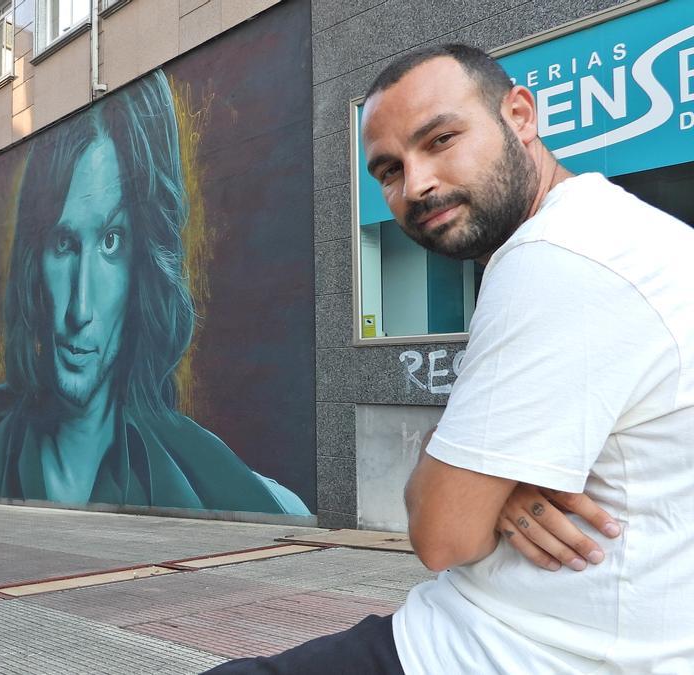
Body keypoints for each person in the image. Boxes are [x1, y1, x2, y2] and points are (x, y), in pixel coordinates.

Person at [210, 43, 694, 673]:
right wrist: (494, 478)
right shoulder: (633, 235)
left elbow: (441, 534)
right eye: (387, 170)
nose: (416, 184)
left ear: (519, 115)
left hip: (499, 651)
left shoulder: (557, 259)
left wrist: (465, 473)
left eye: (440, 139)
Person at [0, 71, 309, 515]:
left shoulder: (201, 476)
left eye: (111, 242)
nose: (79, 309)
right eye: (63, 243)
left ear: (143, 264)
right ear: (34, 264)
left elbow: (288, 515)